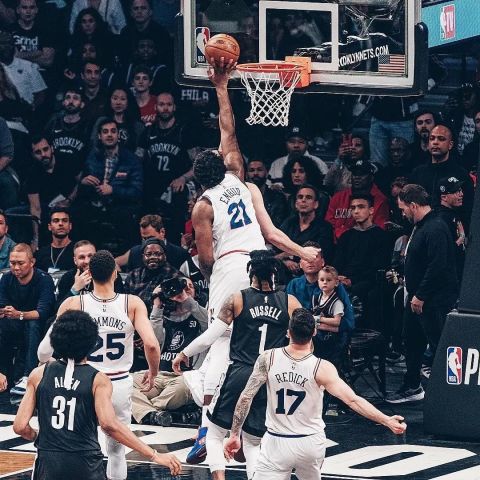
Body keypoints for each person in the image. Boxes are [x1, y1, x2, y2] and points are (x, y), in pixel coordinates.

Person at [186, 59, 319, 464]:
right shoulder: (244, 183)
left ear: (198, 178)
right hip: (260, 267)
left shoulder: (202, 205)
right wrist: (221, 86)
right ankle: (248, 430)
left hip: (228, 267)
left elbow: (206, 259)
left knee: (221, 345)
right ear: (225, 165)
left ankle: (208, 427)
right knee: (257, 344)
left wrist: (213, 282)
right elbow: (228, 130)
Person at [224, 308, 406, 479]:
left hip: (277, 441)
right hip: (310, 443)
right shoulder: (322, 367)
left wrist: (234, 434)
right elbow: (353, 400)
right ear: (314, 332)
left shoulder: (268, 358)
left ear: (288, 332)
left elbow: (246, 397)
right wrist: (386, 420)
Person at [173, 250, 302, 478]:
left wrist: (184, 352)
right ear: (274, 272)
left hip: (240, 372)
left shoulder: (238, 299)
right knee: (253, 442)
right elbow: (306, 336)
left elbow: (210, 336)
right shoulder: (290, 302)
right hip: (269, 376)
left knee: (214, 435)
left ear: (250, 272)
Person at [14, 310, 181, 479]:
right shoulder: (98, 380)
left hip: (48, 463)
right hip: (85, 463)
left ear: (55, 340)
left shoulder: (38, 374)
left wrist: (38, 436)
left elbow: (20, 427)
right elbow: (109, 425)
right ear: (93, 343)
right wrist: (154, 455)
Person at [38, 250, 161, 480]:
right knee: (116, 451)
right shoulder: (132, 303)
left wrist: (49, 366)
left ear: (89, 274)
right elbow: (152, 345)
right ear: (115, 273)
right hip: (117, 381)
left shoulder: (74, 302)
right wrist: (153, 372)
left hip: (82, 379)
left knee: (76, 445)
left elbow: (43, 351)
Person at [386, 184, 458, 403]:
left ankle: (450, 395)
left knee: (439, 346)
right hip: (417, 298)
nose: (402, 214)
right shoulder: (421, 226)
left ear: (414, 205)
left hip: (432, 300)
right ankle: (412, 386)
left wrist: (421, 295)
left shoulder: (435, 227)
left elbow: (438, 266)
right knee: (412, 340)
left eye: (403, 209)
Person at [131, 276, 207, 426]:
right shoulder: (162, 317)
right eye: (181, 287)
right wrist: (157, 305)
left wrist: (186, 299)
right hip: (159, 375)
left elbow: (209, 325)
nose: (184, 289)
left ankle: (145, 412)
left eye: (189, 287)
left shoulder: (201, 317)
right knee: (126, 384)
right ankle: (154, 414)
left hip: (187, 377)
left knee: (181, 389)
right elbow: (154, 341)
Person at [78, 118, 143, 250]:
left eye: (113, 131)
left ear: (118, 135)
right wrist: (83, 182)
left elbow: (137, 191)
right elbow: (83, 189)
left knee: (127, 219)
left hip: (121, 207)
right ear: (99, 136)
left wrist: (113, 190)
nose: (109, 135)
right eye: (105, 132)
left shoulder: (131, 160)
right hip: (95, 206)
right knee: (78, 214)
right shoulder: (92, 157)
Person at [0, 243, 56, 395]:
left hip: (40, 326)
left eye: (20, 263)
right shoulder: (6, 278)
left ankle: (28, 376)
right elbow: (2, 305)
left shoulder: (44, 279)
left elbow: (42, 312)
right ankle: (2, 373)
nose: (16, 268)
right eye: (12, 263)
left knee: (32, 324)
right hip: (13, 321)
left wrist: (19, 314)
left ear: (32, 262)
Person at [409, 124, 474, 230]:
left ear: (450, 145)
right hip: (419, 230)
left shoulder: (461, 175)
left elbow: (467, 210)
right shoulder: (417, 173)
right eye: (432, 138)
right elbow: (409, 205)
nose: (435, 142)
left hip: (450, 231)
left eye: (441, 139)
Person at [326, 159, 390, 241]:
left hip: (365, 243)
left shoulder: (380, 200)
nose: (357, 177)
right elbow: (328, 224)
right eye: (354, 174)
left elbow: (378, 229)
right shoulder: (338, 197)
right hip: (336, 242)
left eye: (362, 174)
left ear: (371, 177)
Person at [56, 240, 125, 306]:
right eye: (81, 257)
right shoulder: (67, 277)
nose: (87, 261)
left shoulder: (111, 275)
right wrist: (75, 289)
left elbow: (122, 306)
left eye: (90, 256)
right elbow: (58, 310)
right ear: (75, 260)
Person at [124, 238, 179, 314]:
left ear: (165, 256)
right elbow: (125, 304)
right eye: (148, 254)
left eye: (157, 254)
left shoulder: (175, 276)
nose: (153, 257)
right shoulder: (133, 276)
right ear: (143, 256)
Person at [115, 214, 189, 271]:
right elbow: (114, 262)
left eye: (150, 237)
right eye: (144, 238)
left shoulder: (180, 254)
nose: (147, 242)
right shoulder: (135, 252)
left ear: (162, 232)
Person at [267, 125, 328, 189]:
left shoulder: (319, 163)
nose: (296, 145)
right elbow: (267, 187)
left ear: (307, 144)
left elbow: (325, 189)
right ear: (286, 144)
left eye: (301, 142)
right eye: (292, 142)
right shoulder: (276, 164)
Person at [435, 177, 466, 284]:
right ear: (444, 197)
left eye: (461, 190)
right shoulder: (441, 219)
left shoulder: (452, 213)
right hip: (449, 279)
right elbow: (443, 252)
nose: (461, 194)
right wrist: (461, 238)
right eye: (456, 191)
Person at [246, 158, 288, 228]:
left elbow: (278, 225)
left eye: (259, 170)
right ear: (247, 174)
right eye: (251, 170)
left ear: (267, 173)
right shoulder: (242, 197)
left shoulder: (277, 198)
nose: (255, 173)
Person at [34, 208, 75, 273]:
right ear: (49, 227)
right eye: (56, 221)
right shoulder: (40, 254)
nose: (60, 224)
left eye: (65, 220)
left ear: (70, 226)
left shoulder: (78, 251)